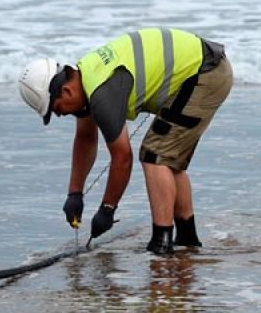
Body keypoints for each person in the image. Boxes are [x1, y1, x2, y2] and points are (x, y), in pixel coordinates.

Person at [18, 27, 232, 255]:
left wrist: (107, 209)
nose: (60, 115)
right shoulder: (87, 77)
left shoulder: (101, 93)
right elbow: (85, 138)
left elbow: (122, 158)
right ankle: (187, 240)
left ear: (67, 91)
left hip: (205, 73)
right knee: (167, 159)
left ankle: (162, 243)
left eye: (56, 109)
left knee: (154, 156)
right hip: (202, 69)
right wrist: (74, 194)